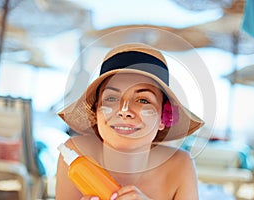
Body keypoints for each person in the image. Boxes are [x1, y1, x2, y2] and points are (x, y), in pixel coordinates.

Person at [55, 43, 204, 200]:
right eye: (111, 98)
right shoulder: (75, 153)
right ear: (96, 111)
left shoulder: (180, 166)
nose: (124, 111)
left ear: (163, 117)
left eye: (143, 100)